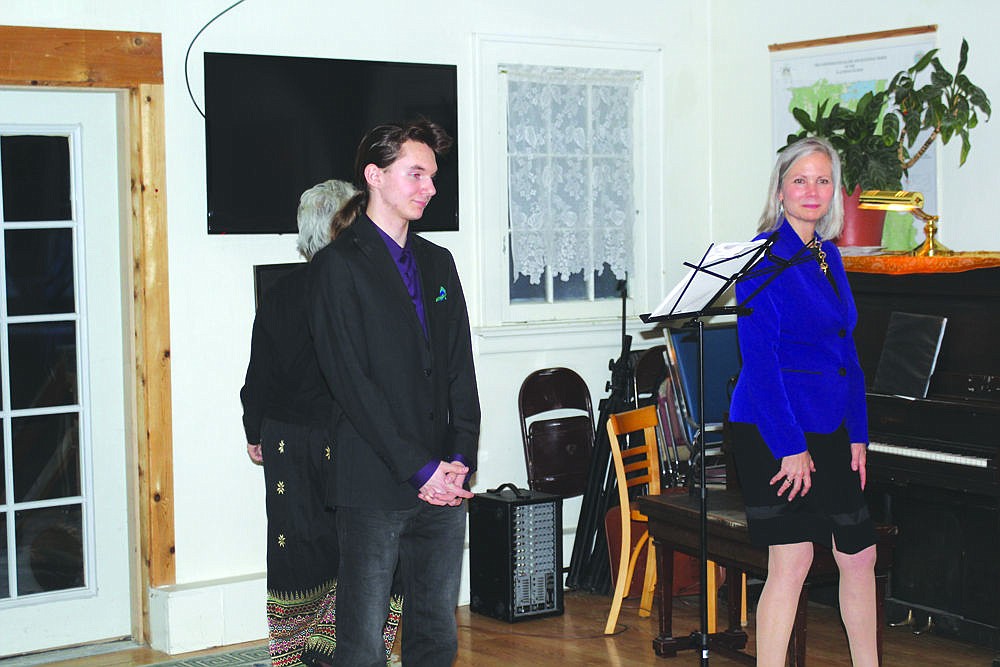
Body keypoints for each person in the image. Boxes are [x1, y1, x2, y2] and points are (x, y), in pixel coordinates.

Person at [308, 119, 480, 667]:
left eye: (432, 176)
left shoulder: (438, 262)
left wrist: (459, 460)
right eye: (416, 174)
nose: (429, 187)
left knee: (435, 634)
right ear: (374, 176)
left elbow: (459, 370)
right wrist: (418, 469)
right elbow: (352, 384)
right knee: (362, 642)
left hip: (444, 484)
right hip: (374, 482)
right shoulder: (338, 265)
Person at [728, 137, 878, 667]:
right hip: (773, 424)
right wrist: (790, 447)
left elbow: (846, 350)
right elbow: (761, 365)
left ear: (834, 190)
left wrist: (857, 432)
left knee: (860, 555)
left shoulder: (830, 254)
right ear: (780, 189)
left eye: (823, 180)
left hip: (832, 423)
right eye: (800, 179)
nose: (812, 190)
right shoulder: (761, 260)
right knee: (791, 561)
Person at [241, 179, 402, 667]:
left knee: (297, 548)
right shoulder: (359, 285)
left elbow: (259, 373)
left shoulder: (279, 291)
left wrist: (254, 431)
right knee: (363, 546)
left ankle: (297, 653)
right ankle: (347, 650)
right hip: (343, 436)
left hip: (285, 439)